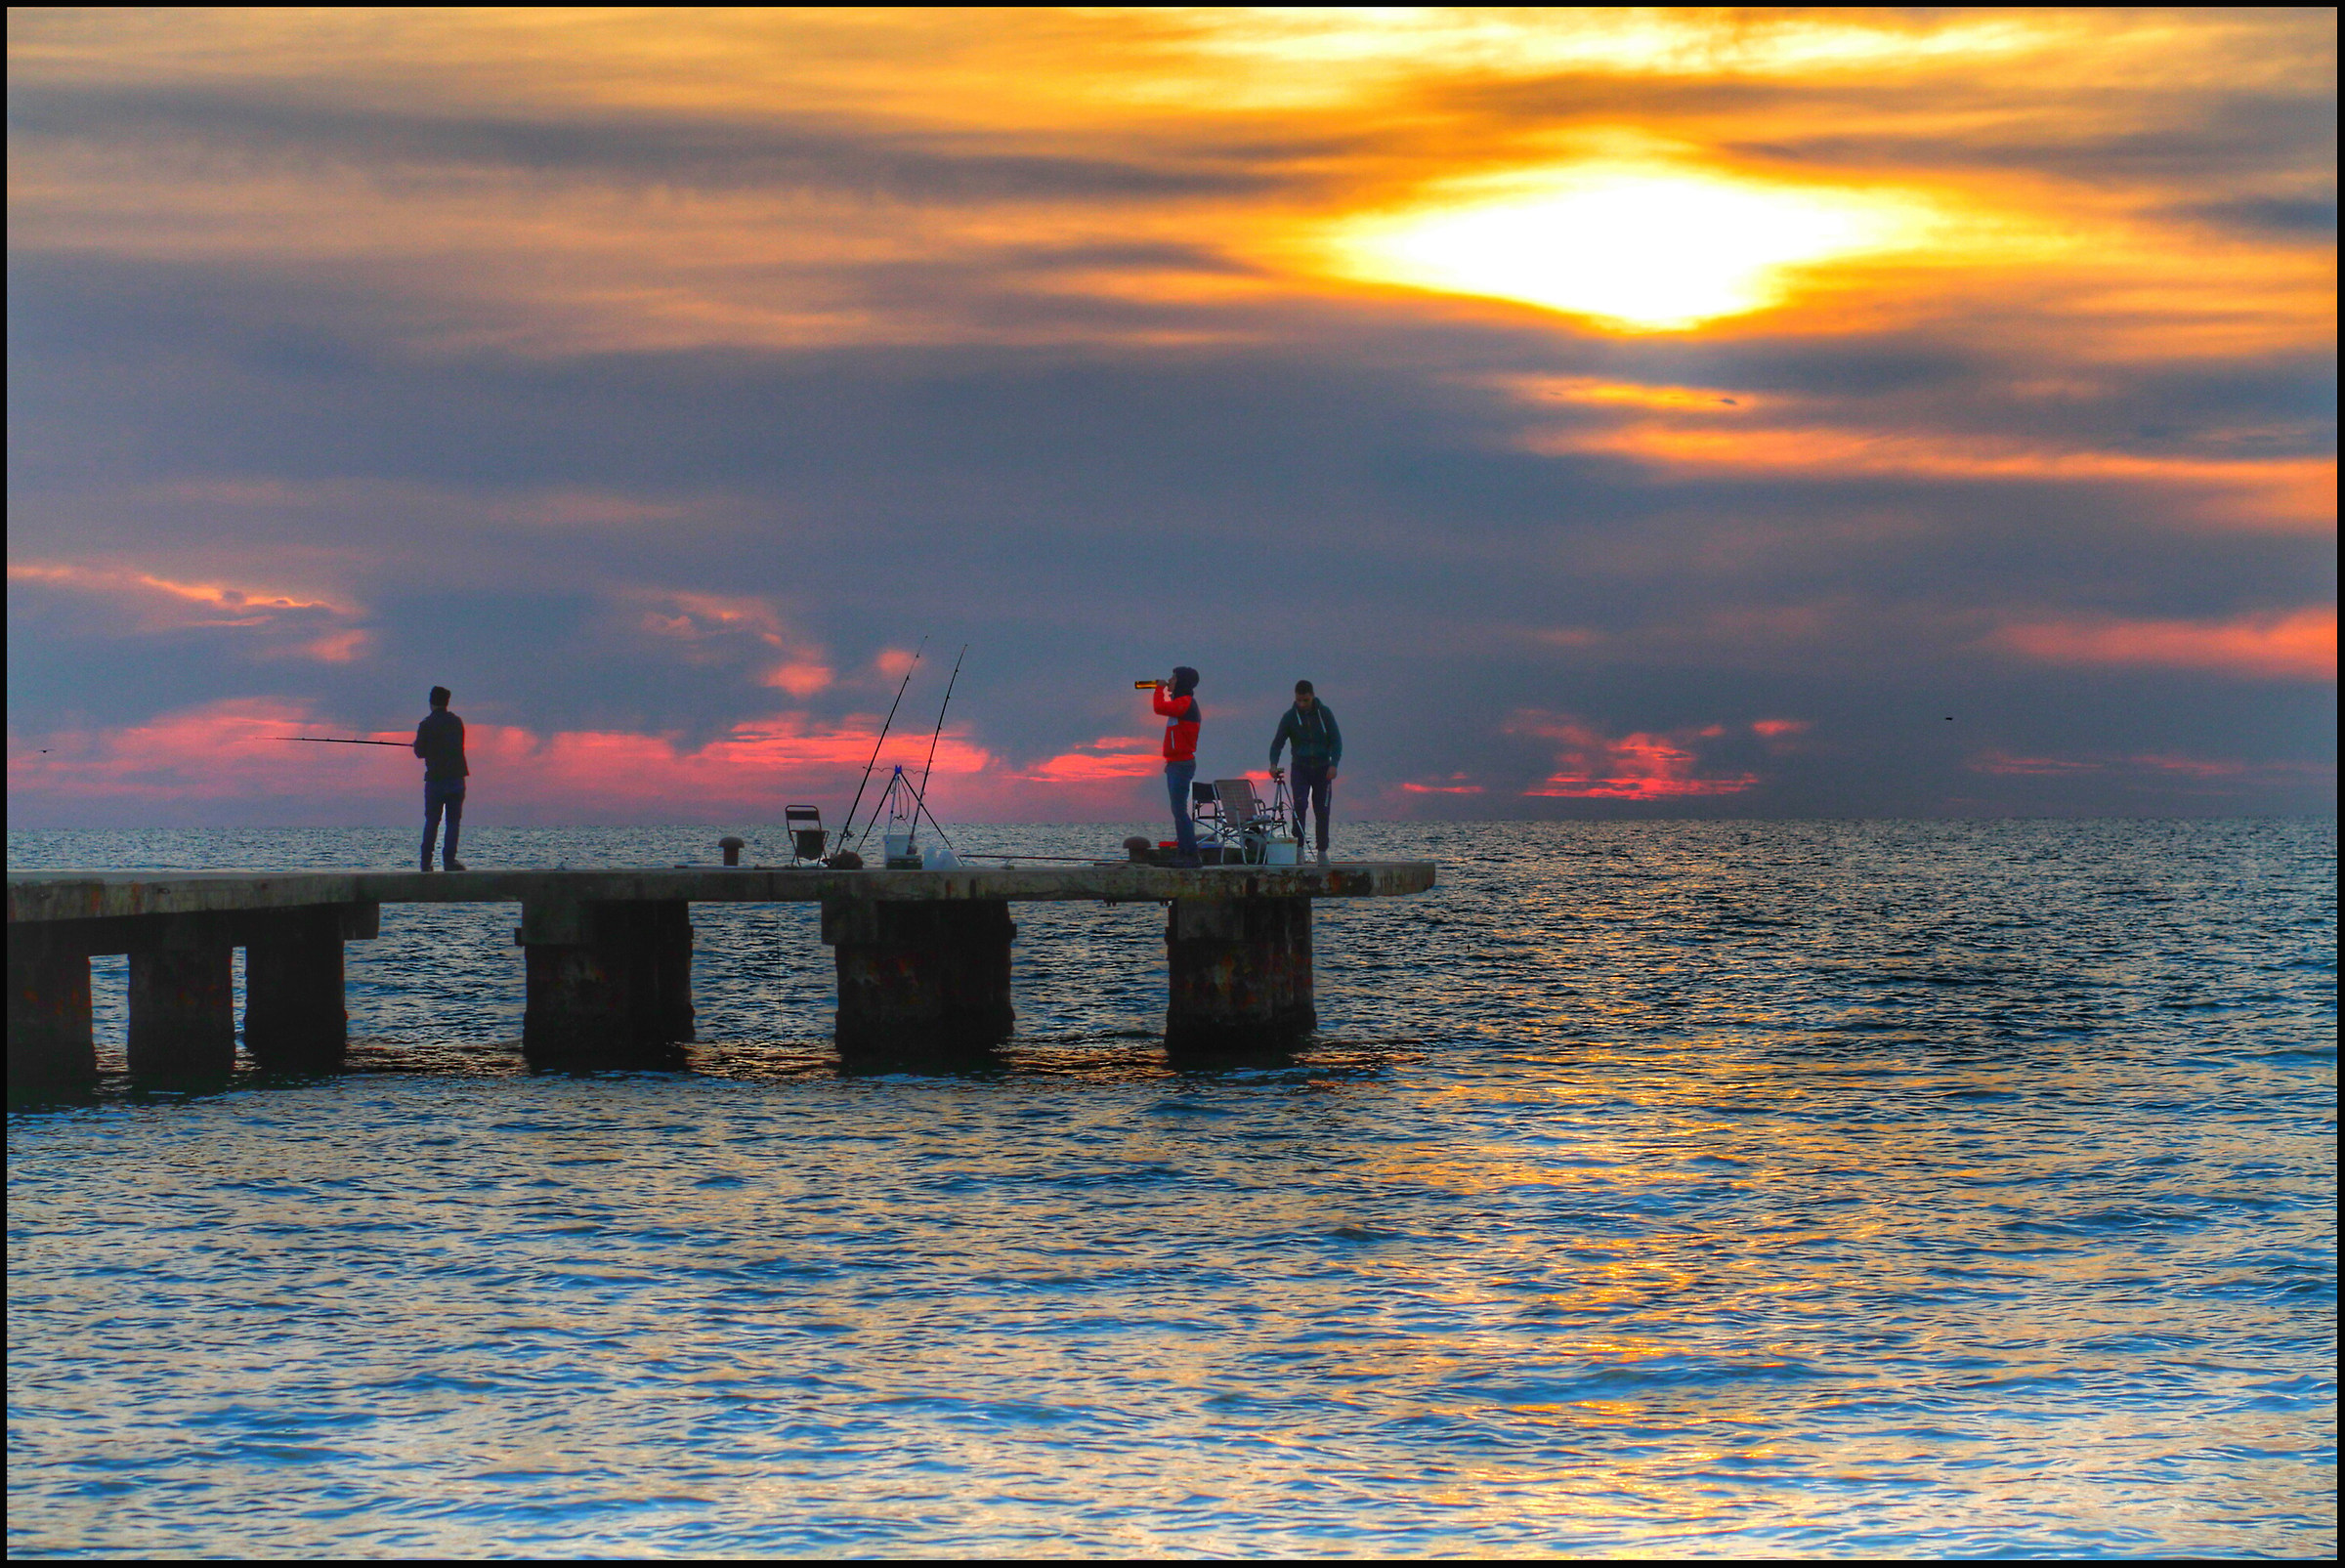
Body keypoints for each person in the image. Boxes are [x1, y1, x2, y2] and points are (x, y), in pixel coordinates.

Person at [1269, 678, 1342, 862]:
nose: (1302, 704)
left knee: (1322, 809)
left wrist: (1334, 764)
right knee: (1299, 805)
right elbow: (1278, 743)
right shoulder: (1290, 717)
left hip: (1322, 768)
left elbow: (1336, 740)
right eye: (1299, 700)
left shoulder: (1324, 714)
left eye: (1305, 700)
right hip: (1300, 767)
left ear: (1312, 696)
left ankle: (1322, 851)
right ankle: (1299, 848)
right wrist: (1273, 764)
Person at [1151, 666, 1203, 868]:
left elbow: (1158, 708)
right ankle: (1184, 851)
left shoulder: (1185, 703)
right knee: (1177, 810)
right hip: (1175, 763)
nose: (1170, 680)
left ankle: (1190, 854)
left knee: (1179, 810)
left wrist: (1159, 690)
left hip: (1182, 764)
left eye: (1174, 677)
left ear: (1182, 682)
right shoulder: (1180, 703)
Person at [413, 686, 468, 872]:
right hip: (456, 778)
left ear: (431, 701)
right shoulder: (456, 722)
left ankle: (426, 863)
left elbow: (419, 752)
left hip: (435, 780)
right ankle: (449, 861)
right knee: (453, 822)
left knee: (432, 821)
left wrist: (422, 745)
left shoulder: (426, 724)